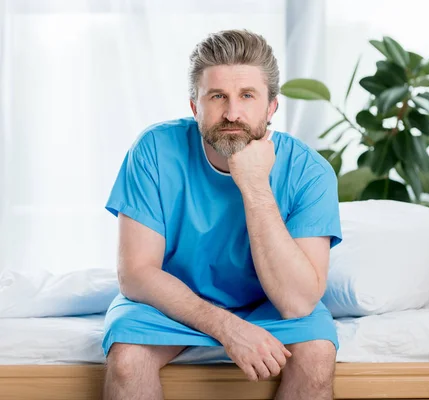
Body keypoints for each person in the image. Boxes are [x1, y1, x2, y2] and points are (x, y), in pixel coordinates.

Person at [102, 29, 343, 400]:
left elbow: (297, 302)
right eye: (218, 96)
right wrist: (227, 328)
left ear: (271, 107)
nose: (232, 112)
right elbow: (135, 274)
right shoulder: (153, 150)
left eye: (248, 96)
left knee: (317, 356)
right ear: (195, 106)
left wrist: (255, 186)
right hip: (174, 301)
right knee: (127, 360)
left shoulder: (310, 171)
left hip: (273, 304)